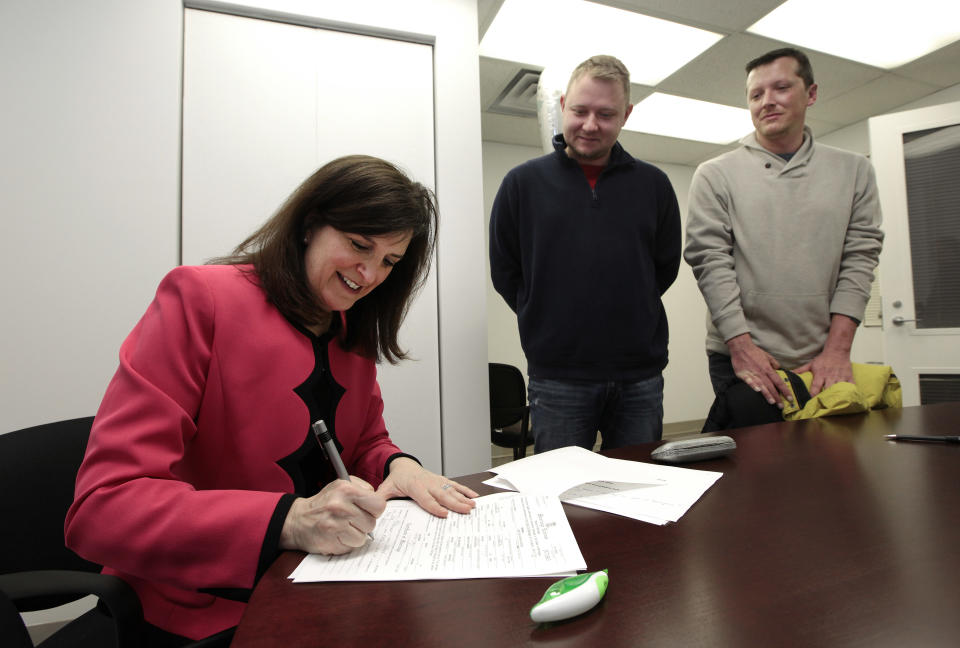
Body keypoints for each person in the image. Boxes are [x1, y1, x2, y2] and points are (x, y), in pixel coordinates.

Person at [64, 155, 477, 645]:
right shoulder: (201, 299)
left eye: (389, 261)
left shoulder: (349, 328)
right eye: (358, 245)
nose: (368, 275)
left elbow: (365, 439)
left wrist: (397, 466)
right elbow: (105, 506)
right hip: (197, 611)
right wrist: (290, 520)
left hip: (318, 593)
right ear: (309, 225)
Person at [489, 55, 681, 453]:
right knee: (559, 497)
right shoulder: (522, 184)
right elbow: (506, 272)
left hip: (639, 377)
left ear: (626, 115)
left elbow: (663, 268)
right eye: (580, 111)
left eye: (606, 114)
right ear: (562, 107)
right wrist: (544, 314)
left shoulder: (654, 185)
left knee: (639, 490)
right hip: (558, 377)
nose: (590, 125)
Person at [684, 48, 884, 407]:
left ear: (811, 93)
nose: (767, 102)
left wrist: (838, 350)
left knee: (828, 457)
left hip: (823, 352)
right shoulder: (715, 174)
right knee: (761, 459)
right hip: (742, 353)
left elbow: (861, 259)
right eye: (756, 94)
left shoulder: (854, 171)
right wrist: (741, 347)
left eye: (781, 88)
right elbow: (711, 264)